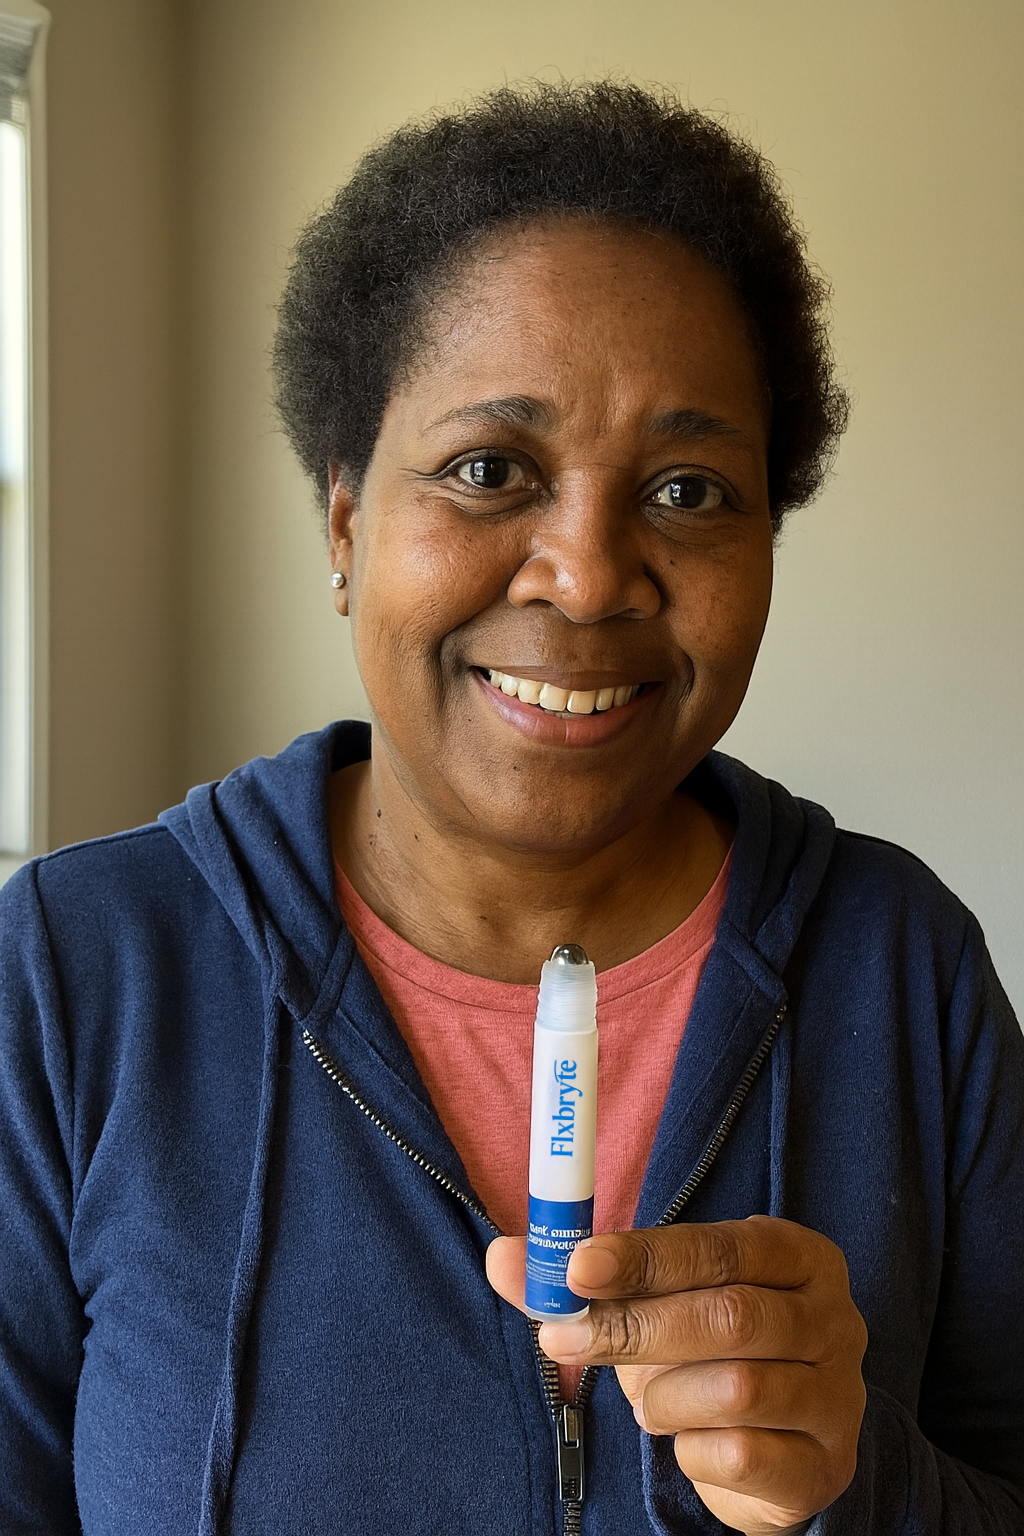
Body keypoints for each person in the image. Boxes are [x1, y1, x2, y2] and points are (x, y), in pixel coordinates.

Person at [1, 81, 1022, 1536]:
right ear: (347, 521)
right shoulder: (72, 979)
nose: (589, 575)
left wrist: (860, 1485)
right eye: (491, 471)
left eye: (687, 489)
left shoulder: (904, 971)